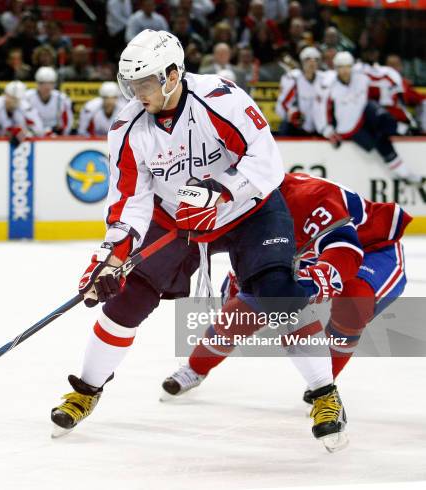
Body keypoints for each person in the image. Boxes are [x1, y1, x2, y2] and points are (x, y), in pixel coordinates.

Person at [49, 30, 348, 451]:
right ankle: (85, 389)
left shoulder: (221, 100)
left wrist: (221, 192)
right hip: (177, 219)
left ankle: (324, 394)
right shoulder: (129, 127)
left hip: (248, 211)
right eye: (130, 84)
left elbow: (266, 162)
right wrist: (114, 251)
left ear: (173, 75)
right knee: (128, 297)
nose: (136, 93)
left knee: (278, 293)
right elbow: (128, 200)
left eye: (145, 83)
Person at [163, 172, 411, 406]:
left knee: (354, 305)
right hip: (307, 251)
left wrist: (316, 281)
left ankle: (322, 387)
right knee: (239, 316)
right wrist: (243, 278)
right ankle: (195, 368)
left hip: (371, 249)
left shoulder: (311, 197)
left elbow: (345, 250)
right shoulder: (245, 203)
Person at [315, 52, 420, 185]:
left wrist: (398, 86)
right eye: (341, 67)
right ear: (336, 68)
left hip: (365, 114)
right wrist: (327, 131)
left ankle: (402, 131)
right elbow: (320, 109)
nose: (345, 70)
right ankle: (404, 172)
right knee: (380, 141)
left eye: (347, 66)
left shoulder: (361, 76)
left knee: (378, 112)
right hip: (349, 127)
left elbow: (383, 76)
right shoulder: (329, 85)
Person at [276, 46, 327, 135]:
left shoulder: (325, 79)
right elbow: (281, 105)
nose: (312, 62)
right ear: (302, 62)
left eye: (316, 60)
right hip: (298, 125)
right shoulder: (293, 79)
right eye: (308, 59)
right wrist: (291, 113)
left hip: (319, 125)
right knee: (284, 127)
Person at [25, 67, 73, 135]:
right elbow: (22, 118)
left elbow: (68, 122)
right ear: (37, 83)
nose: (46, 87)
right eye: (42, 83)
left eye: (50, 83)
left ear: (54, 84)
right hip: (33, 133)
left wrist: (63, 133)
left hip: (54, 133)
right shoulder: (27, 97)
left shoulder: (62, 99)